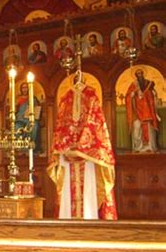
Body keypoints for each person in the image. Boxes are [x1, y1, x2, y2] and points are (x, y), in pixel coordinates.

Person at [47, 76, 117, 220]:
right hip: (82, 157)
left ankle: (85, 223)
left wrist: (68, 147)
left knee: (85, 194)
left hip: (81, 158)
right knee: (73, 194)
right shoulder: (71, 97)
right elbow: (96, 125)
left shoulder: (73, 97)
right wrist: (83, 147)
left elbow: (62, 129)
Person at [125, 68, 160, 152]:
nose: (140, 75)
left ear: (143, 74)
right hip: (136, 111)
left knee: (149, 129)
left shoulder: (148, 83)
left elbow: (153, 94)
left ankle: (150, 146)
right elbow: (128, 96)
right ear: (136, 75)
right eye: (138, 74)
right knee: (137, 128)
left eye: (141, 73)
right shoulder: (133, 84)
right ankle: (138, 147)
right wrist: (133, 94)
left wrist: (153, 95)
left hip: (147, 110)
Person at [15, 82, 41, 151]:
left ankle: (30, 144)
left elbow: (37, 109)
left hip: (30, 119)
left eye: (26, 87)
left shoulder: (33, 98)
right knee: (16, 127)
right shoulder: (18, 98)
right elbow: (15, 110)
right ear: (21, 89)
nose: (24, 89)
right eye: (23, 88)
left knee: (34, 126)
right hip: (20, 119)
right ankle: (20, 146)